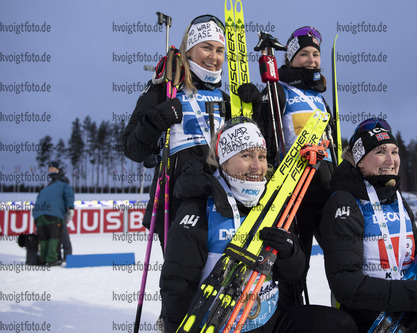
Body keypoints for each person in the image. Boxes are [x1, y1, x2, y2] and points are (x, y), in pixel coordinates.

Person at [159, 117, 357, 333]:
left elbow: (295, 275)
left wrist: (290, 252)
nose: (257, 166)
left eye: (262, 157)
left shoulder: (273, 202)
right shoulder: (198, 208)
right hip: (218, 325)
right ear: (223, 161)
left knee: (340, 325)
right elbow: (177, 285)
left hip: (270, 322)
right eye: (246, 155)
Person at [319, 118, 417, 332]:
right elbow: (347, 284)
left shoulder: (396, 198)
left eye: (394, 152)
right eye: (380, 151)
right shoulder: (344, 202)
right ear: (359, 161)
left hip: (409, 321)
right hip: (369, 324)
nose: (390, 160)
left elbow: (410, 259)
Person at [122, 14, 261, 252]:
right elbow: (132, 149)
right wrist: (156, 121)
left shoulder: (228, 101)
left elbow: (253, 151)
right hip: (177, 197)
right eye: (206, 47)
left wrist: (255, 109)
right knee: (182, 276)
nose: (213, 57)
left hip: (222, 196)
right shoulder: (165, 90)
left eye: (219, 50)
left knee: (221, 273)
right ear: (188, 51)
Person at [258, 26, 334, 307]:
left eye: (315, 54)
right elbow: (266, 134)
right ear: (290, 58)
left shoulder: (320, 97)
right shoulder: (280, 91)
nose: (312, 59)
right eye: (304, 54)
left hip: (325, 187)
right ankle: (290, 313)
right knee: (293, 263)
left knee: (340, 256)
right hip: (293, 187)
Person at [32, 161, 75, 266]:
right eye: (50, 169)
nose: (51, 171)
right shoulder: (50, 184)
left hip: (58, 211)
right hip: (52, 211)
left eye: (53, 169)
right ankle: (55, 256)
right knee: (54, 235)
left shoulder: (63, 180)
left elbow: (67, 193)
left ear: (58, 170)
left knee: (61, 233)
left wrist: (70, 208)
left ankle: (66, 255)